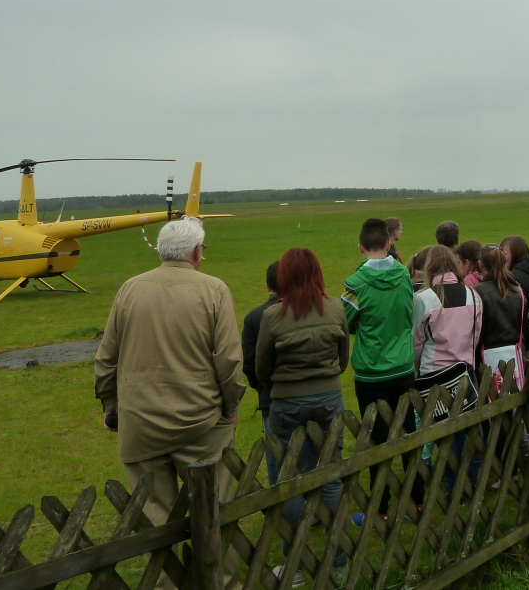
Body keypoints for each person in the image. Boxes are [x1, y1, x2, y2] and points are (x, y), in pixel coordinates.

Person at [95, 217, 245, 590]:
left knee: (155, 524)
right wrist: (230, 407)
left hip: (141, 423)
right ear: (195, 252)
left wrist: (111, 406)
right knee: (215, 515)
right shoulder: (214, 290)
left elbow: (106, 359)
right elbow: (229, 359)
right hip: (203, 421)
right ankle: (222, 583)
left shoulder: (130, 290)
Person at [256, 248, 349, 586]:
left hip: (287, 401)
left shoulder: (273, 316)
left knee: (289, 481)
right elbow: (343, 359)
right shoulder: (335, 307)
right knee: (331, 476)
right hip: (328, 397)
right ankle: (340, 564)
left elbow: (262, 367)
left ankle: (294, 567)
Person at [342, 218, 420, 521]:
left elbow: (346, 323)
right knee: (409, 434)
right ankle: (417, 500)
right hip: (403, 367)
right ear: (389, 244)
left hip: (371, 371)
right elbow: (407, 312)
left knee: (377, 441)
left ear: (360, 247)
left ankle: (381, 509)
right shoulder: (404, 275)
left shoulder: (355, 284)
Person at [414, 245, 483, 493]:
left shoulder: (424, 298)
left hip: (434, 373)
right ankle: (468, 479)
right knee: (463, 431)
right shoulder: (473, 295)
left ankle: (455, 485)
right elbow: (476, 335)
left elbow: (417, 341)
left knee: (445, 433)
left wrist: (417, 369)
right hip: (464, 370)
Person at [241, 261, 281, 487]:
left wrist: (260, 385)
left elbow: (249, 362)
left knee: (275, 454)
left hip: (270, 394)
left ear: (268, 286)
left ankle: (279, 501)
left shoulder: (254, 317)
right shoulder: (305, 310)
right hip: (303, 393)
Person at [474, 245, 525, 389]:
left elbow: (478, 329)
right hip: (514, 352)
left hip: (487, 353)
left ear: (480, 264)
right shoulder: (516, 289)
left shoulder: (478, 291)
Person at [502, 235, 529, 353]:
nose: (501, 258)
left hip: (524, 336)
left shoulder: (514, 277)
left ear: (516, 254)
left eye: (505, 254)